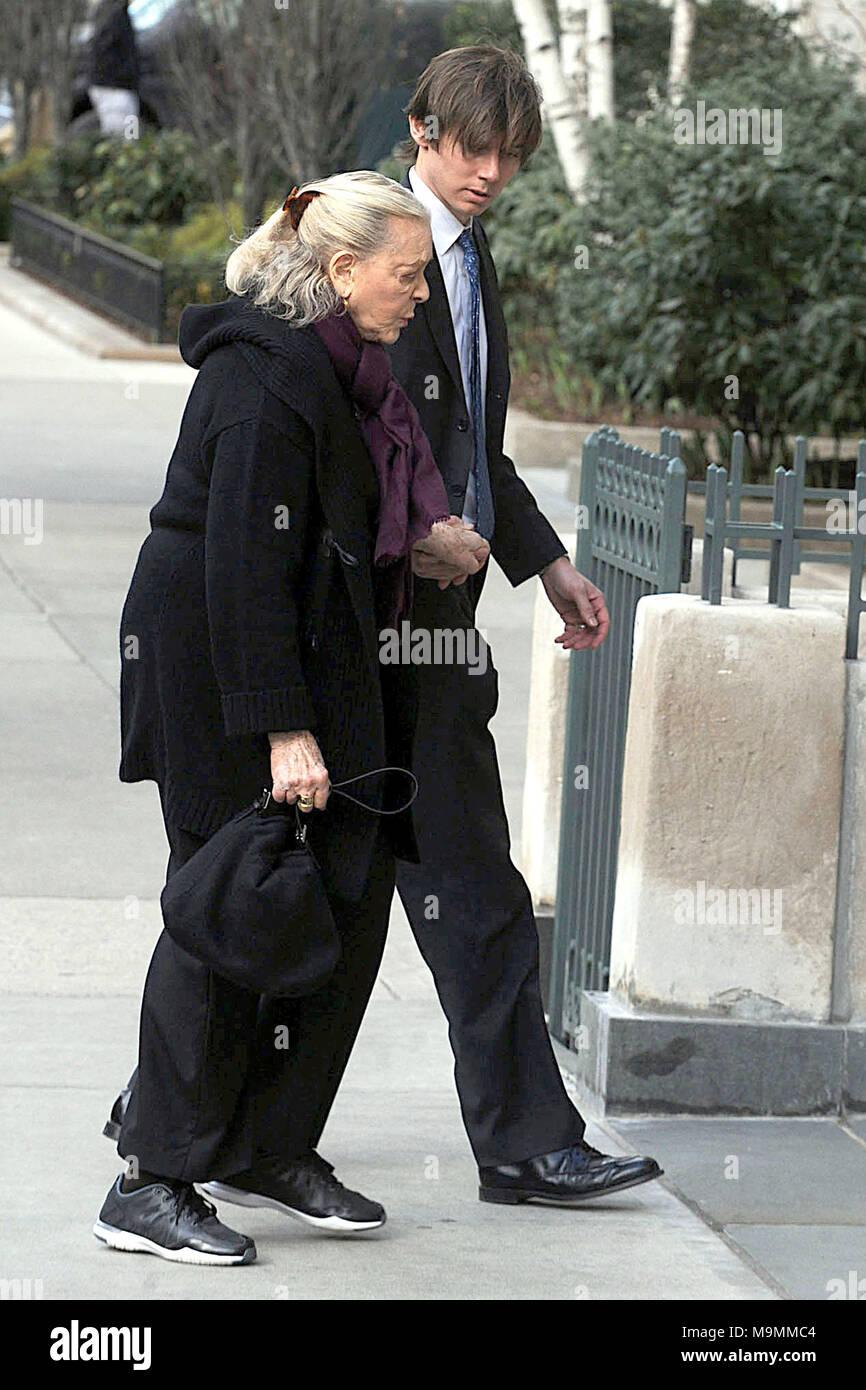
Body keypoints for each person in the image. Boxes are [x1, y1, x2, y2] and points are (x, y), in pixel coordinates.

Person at [94, 170, 488, 1266]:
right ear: (340, 269)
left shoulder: (344, 366)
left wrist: (417, 541)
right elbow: (241, 565)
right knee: (232, 903)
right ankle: (149, 1175)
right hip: (223, 664)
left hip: (312, 652)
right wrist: (281, 728)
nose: (419, 294)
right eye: (405, 276)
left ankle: (265, 1142)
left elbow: (324, 520)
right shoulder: (267, 380)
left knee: (345, 895)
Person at [382, 46, 664, 1206]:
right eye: (469, 147)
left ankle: (522, 1142)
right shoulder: (371, 250)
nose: (489, 171)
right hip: (360, 631)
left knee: (474, 893)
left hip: (434, 633)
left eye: (507, 154)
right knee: (290, 895)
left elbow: (471, 446)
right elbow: (338, 436)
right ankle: (167, 1123)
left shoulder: (467, 254)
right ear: (419, 130)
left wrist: (544, 564)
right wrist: (412, 540)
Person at [86, 0, 140, 136]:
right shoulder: (113, 13)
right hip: (114, 91)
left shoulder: (116, 11)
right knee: (120, 142)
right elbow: (102, 51)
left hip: (123, 90)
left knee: (130, 138)